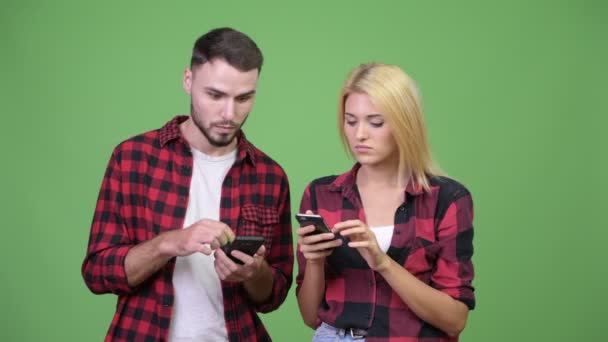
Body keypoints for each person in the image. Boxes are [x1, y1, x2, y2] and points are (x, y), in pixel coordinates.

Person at [82, 27, 293, 342]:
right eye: (215, 95)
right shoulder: (132, 158)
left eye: (243, 98)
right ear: (188, 81)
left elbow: (273, 295)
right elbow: (98, 272)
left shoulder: (270, 176)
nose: (229, 113)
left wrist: (255, 273)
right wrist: (169, 243)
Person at [295, 62, 475, 341]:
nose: (360, 134)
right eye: (350, 120)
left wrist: (383, 263)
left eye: (375, 122)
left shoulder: (447, 199)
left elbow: (454, 320)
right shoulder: (321, 194)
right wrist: (315, 262)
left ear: (405, 123)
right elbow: (310, 317)